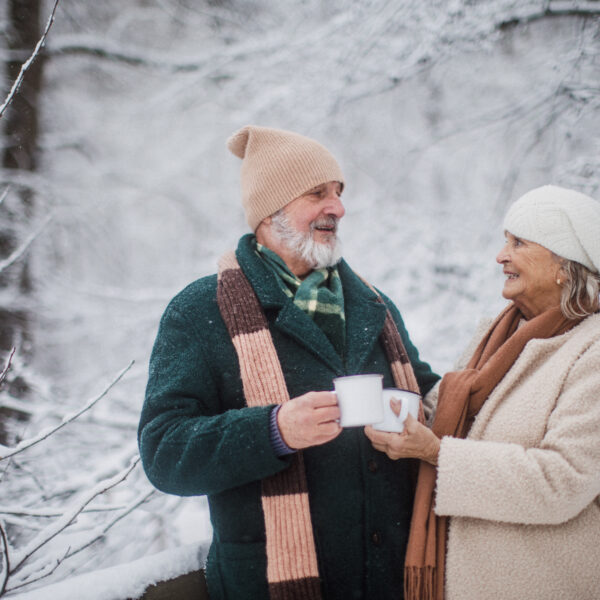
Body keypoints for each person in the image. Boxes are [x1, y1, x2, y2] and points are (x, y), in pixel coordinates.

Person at [138, 125, 440, 600]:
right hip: (270, 585)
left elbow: (428, 397)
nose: (337, 207)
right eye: (318, 193)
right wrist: (273, 431)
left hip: (389, 580)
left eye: (339, 193)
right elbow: (164, 454)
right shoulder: (200, 312)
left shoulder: (374, 306)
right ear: (270, 210)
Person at [365, 184, 600, 600]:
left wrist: (437, 453)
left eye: (519, 242)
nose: (500, 255)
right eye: (504, 241)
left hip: (545, 585)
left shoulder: (591, 351)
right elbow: (445, 415)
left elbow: (563, 481)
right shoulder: (495, 335)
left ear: (565, 264)